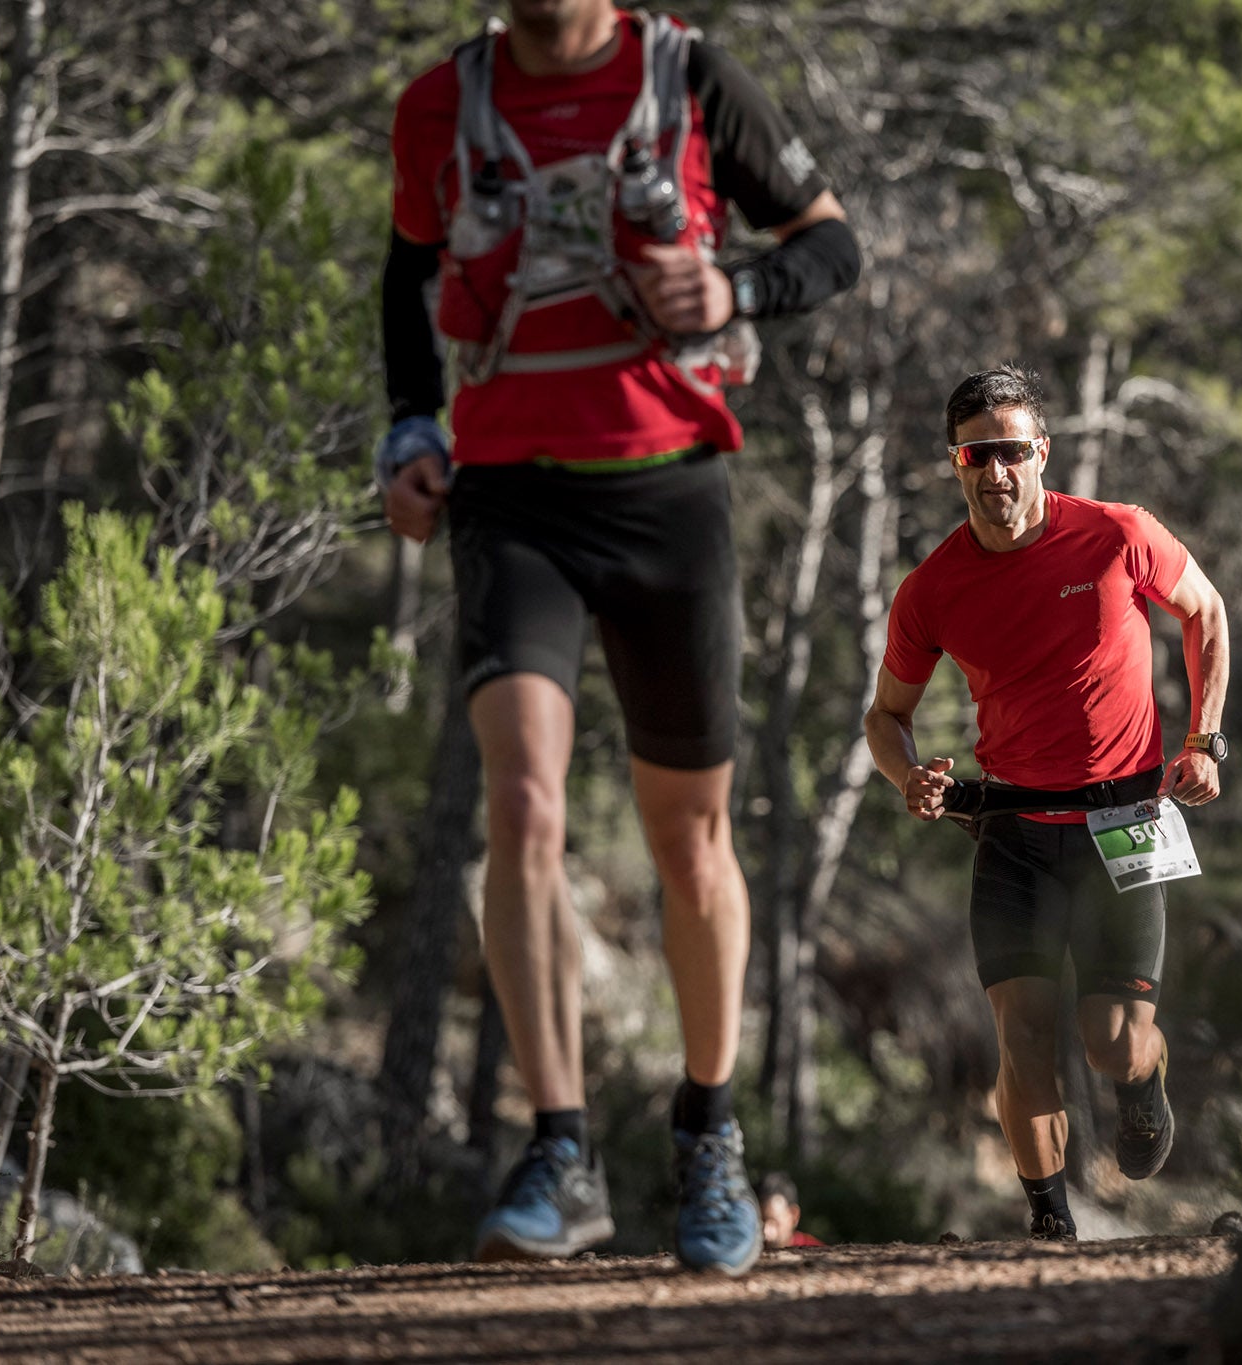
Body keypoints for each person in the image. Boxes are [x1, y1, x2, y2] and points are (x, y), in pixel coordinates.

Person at [377, 0, 860, 1275]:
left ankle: (707, 1133)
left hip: (668, 492)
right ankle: (559, 1150)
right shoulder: (441, 104)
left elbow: (830, 247)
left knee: (688, 839)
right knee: (524, 807)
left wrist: (736, 281)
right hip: (508, 499)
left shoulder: (695, 81)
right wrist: (408, 430)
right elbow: (406, 270)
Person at [863, 365, 1230, 1241]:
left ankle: (1144, 1079)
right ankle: (1049, 1221)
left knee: (1108, 1037)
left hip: (1125, 824)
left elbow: (1205, 611)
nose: (996, 472)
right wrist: (905, 775)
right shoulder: (934, 589)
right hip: (1015, 833)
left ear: (1042, 454)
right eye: (975, 454)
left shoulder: (1115, 535)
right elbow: (886, 716)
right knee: (1022, 1034)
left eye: (1011, 452)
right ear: (956, 463)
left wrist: (1204, 738)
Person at [757, 1172, 823, 1250]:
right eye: (759, 1222)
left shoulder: (817, 1252)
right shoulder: (745, 1250)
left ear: (794, 1215)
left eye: (773, 1222)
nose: (765, 1232)